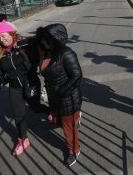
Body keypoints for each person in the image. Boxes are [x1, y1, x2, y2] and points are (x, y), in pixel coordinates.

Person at [36, 23, 83, 167]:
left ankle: (74, 150)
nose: (43, 41)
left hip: (67, 98)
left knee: (68, 128)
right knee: (59, 122)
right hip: (54, 97)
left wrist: (62, 91)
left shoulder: (67, 53)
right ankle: (76, 119)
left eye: (46, 39)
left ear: (56, 39)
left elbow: (77, 76)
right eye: (42, 39)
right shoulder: (47, 52)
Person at [0, 20, 33, 156]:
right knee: (18, 116)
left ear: (12, 34)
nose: (2, 39)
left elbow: (33, 63)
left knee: (36, 107)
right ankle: (23, 140)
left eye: (4, 35)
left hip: (29, 84)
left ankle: (54, 114)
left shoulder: (22, 47)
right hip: (15, 89)